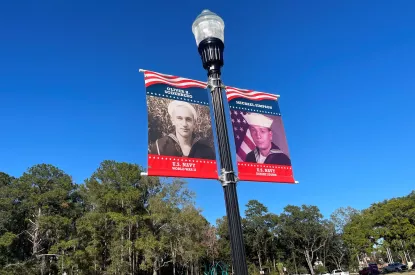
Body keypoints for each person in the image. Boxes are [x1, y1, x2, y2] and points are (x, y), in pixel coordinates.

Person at [150, 100, 216, 160]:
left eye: (188, 119)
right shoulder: (160, 147)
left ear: (194, 123)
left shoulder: (206, 150)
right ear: (173, 121)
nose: (184, 124)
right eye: (179, 118)